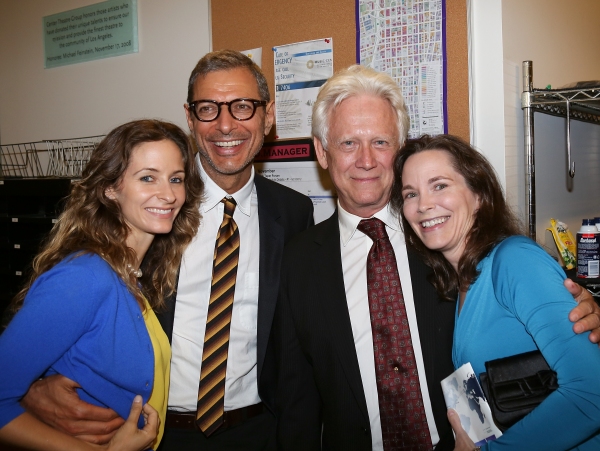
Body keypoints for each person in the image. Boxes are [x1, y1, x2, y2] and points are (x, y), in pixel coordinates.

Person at [272, 64, 600, 451]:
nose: (365, 160)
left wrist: (579, 308)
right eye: (348, 143)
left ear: (398, 149)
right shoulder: (297, 261)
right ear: (322, 153)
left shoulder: (443, 243)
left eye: (380, 142)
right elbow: (297, 398)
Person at [21, 50, 314, 451]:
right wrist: (31, 388)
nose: (226, 124)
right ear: (190, 119)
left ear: (268, 116)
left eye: (243, 107)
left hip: (257, 430)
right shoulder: (155, 206)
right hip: (150, 432)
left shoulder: (294, 211)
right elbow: (52, 304)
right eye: (208, 108)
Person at [0, 119, 203, 451]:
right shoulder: (86, 277)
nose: (168, 194)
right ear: (110, 188)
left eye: (176, 179)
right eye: (148, 177)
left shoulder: (134, 274)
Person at [394, 134, 600, 450]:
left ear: (479, 195)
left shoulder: (514, 260)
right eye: (411, 193)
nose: (423, 204)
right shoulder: (455, 283)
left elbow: (592, 393)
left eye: (440, 186)